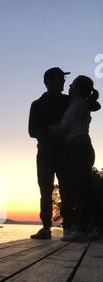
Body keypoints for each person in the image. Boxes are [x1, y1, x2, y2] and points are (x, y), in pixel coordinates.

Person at [51, 75, 101, 242]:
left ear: (78, 88)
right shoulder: (76, 102)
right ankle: (94, 228)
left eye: (72, 85)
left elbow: (65, 125)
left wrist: (49, 130)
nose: (69, 87)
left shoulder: (79, 103)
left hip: (79, 146)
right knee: (83, 187)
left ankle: (82, 229)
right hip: (78, 147)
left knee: (80, 188)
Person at [29, 67, 71, 240]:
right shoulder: (37, 105)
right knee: (45, 190)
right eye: (60, 78)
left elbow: (91, 105)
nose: (63, 81)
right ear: (48, 82)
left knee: (67, 189)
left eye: (63, 78)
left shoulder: (69, 101)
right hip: (45, 153)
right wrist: (50, 130)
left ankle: (69, 227)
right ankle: (46, 228)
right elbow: (32, 131)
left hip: (64, 152)